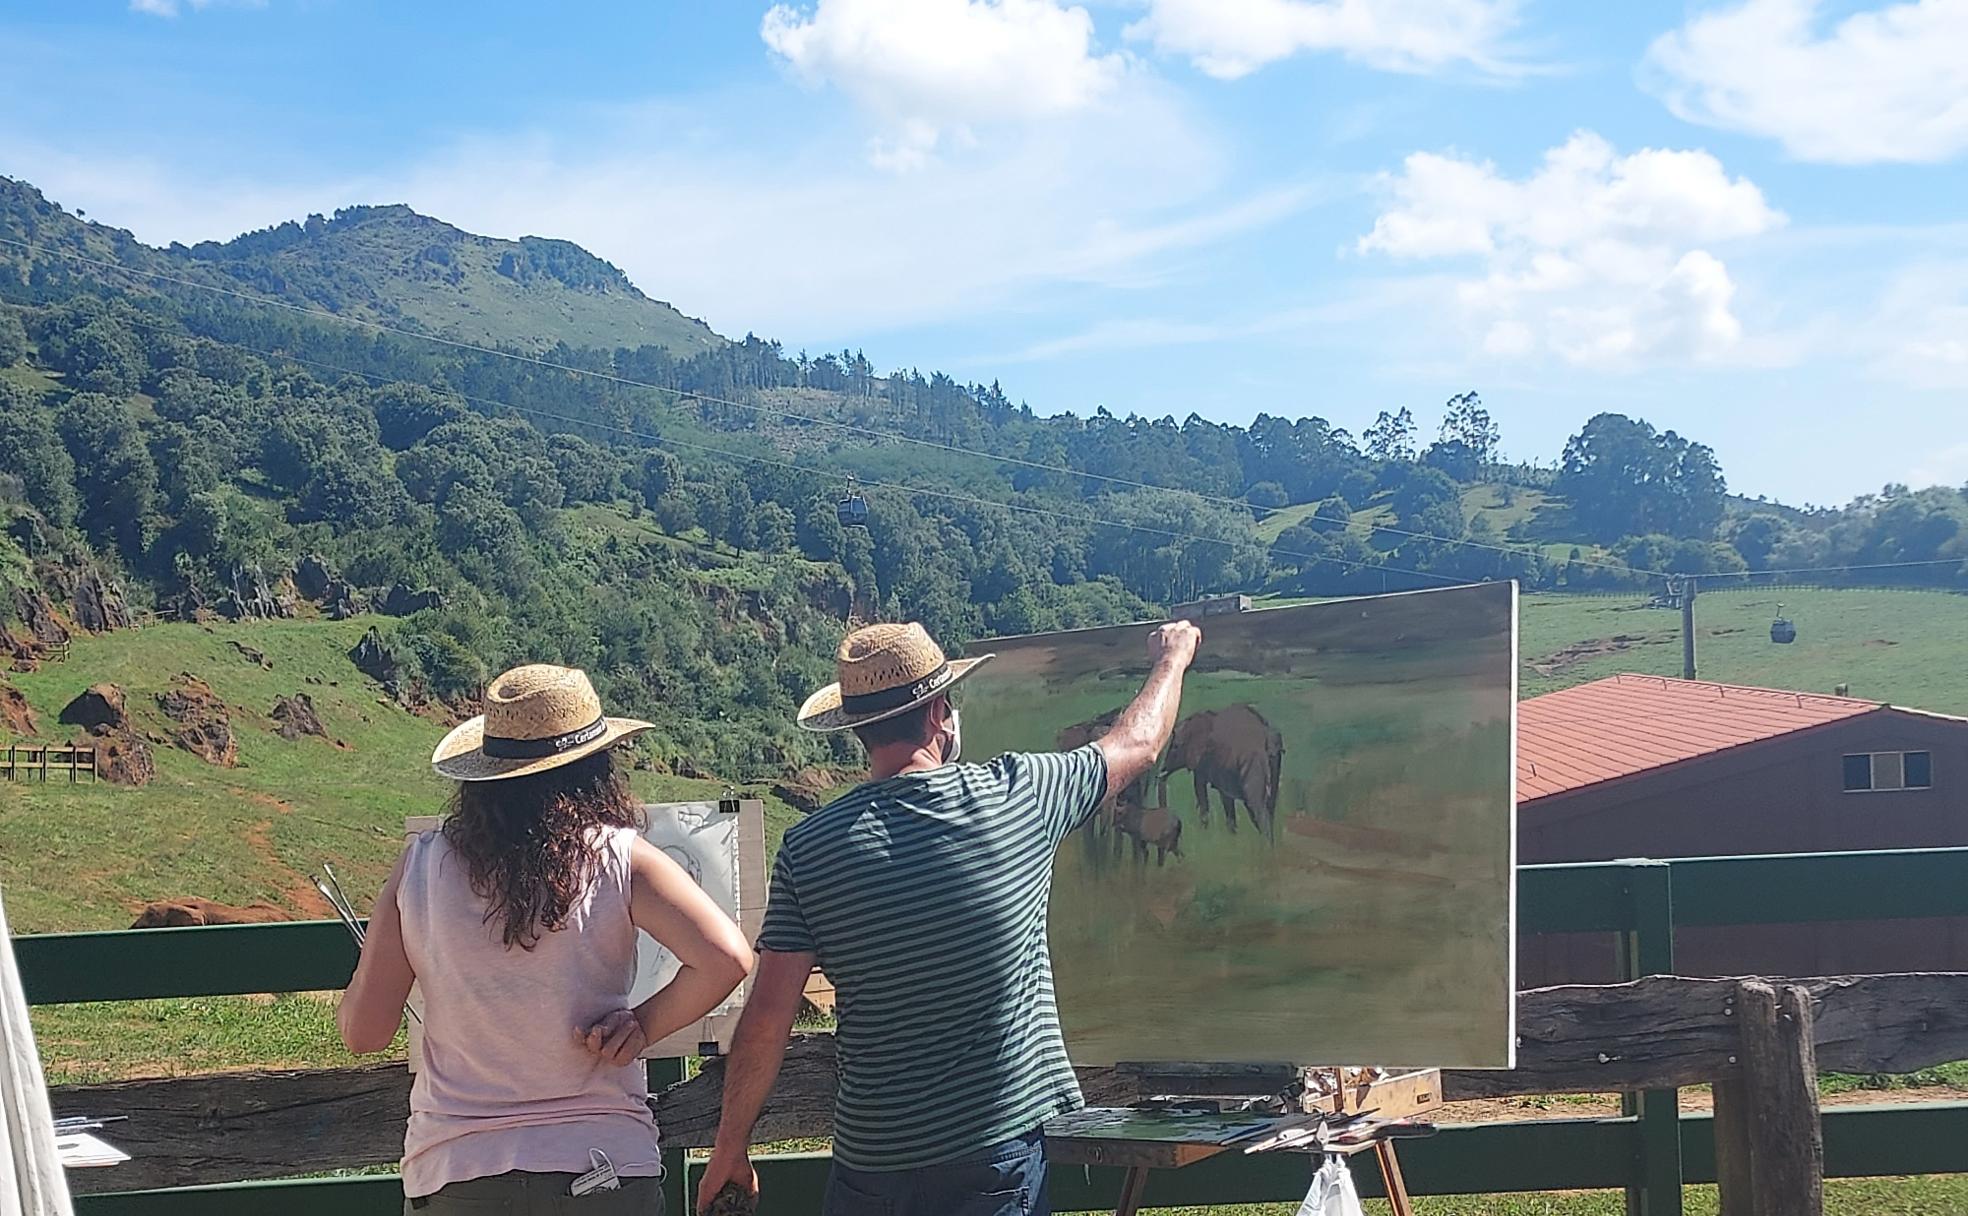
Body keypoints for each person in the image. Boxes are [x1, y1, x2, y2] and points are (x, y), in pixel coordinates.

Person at [697, 618, 1201, 1216]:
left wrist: (729, 1146)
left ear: (858, 729)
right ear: (940, 712)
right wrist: (1172, 659)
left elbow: (768, 1016)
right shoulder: (1021, 796)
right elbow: (1138, 744)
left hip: (871, 1166)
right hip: (993, 1158)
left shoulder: (810, 848)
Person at [338, 663, 754, 1215]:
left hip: (460, 1172)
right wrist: (641, 1026)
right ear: (596, 768)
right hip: (604, 1166)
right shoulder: (618, 858)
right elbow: (727, 957)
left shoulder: (422, 866)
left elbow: (364, 1033)